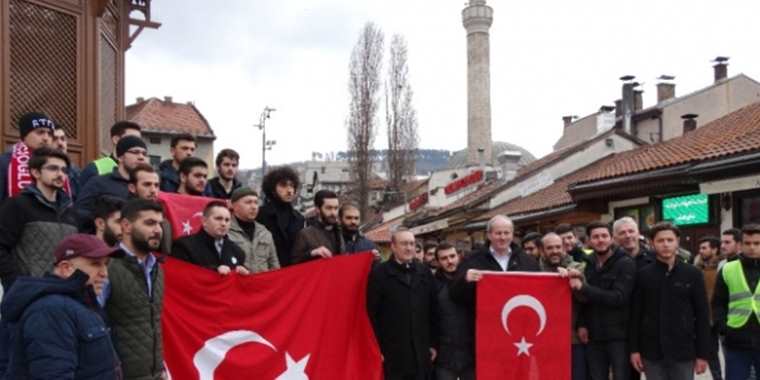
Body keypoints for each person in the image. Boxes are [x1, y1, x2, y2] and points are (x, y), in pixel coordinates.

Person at [0, 234, 121, 379]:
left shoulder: (78, 304)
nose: (104, 274)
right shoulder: (51, 310)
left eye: (106, 264)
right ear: (66, 268)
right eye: (95, 264)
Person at [449, 215, 539, 370]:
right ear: (489, 235)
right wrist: (465, 280)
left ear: (512, 234)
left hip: (521, 338)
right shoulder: (472, 260)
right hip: (486, 335)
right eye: (498, 233)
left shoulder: (527, 261)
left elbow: (540, 291)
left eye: (506, 233)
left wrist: (561, 277)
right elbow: (454, 294)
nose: (502, 237)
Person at [629, 222, 711, 380]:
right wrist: (634, 350)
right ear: (652, 243)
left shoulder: (693, 274)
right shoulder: (643, 275)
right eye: (660, 241)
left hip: (683, 350)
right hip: (652, 352)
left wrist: (703, 354)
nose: (665, 244)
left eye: (669, 240)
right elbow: (636, 315)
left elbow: (702, 315)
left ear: (677, 242)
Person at [0, 147, 78, 291]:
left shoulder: (71, 211)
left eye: (64, 170)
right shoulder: (18, 204)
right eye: (53, 168)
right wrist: (16, 283)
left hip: (66, 291)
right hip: (30, 294)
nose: (60, 174)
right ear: (36, 172)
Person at [104, 199, 165, 380]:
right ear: (126, 226)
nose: (158, 230)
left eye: (160, 224)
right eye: (149, 223)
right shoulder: (106, 266)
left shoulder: (158, 268)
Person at [367, 227, 438, 380]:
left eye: (412, 244)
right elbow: (372, 313)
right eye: (404, 244)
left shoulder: (423, 272)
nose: (409, 248)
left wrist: (433, 343)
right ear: (393, 246)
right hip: (393, 351)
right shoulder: (379, 274)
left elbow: (433, 310)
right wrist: (376, 348)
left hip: (421, 350)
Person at [572, 221, 636, 380]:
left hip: (619, 337)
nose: (600, 240)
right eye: (596, 237)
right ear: (589, 240)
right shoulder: (587, 263)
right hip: (593, 336)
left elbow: (618, 297)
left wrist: (584, 288)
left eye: (604, 236)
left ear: (612, 239)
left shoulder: (625, 263)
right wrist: (581, 324)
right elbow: (583, 301)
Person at [713, 224, 760, 380]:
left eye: (757, 243)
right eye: (747, 243)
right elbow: (718, 302)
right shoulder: (728, 269)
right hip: (736, 340)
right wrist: (723, 328)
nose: (752, 247)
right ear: (740, 245)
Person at [539, 232, 588, 380]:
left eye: (558, 247)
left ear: (564, 248)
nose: (555, 251)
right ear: (542, 250)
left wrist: (572, 278)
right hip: (543, 339)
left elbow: (586, 299)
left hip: (572, 338)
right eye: (550, 248)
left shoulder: (578, 268)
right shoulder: (532, 270)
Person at [75, 135, 148, 224]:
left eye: (144, 154)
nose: (141, 157)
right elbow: (80, 212)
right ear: (120, 157)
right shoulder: (98, 183)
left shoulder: (144, 186)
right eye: (135, 152)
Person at [172, 201, 249, 276]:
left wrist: (244, 274)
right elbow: (181, 277)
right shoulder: (184, 246)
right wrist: (214, 272)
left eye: (227, 220)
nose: (223, 224)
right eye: (218, 218)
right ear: (204, 221)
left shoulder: (237, 251)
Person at [433, 242, 474, 380]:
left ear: (459, 257)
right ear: (438, 262)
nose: (449, 261)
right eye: (444, 258)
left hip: (470, 353)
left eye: (452, 256)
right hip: (444, 355)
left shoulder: (471, 281)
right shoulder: (432, 285)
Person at [0, 112, 55, 202]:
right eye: (40, 132)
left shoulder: (59, 165)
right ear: (24, 136)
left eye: (49, 134)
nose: (46, 138)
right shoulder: (4, 163)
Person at [257, 166, 305, 267]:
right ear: (272, 189)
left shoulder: (299, 218)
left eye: (292, 186)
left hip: (292, 272)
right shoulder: (260, 214)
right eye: (283, 185)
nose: (289, 190)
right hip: (267, 271)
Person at [227, 187, 279, 273]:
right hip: (238, 283)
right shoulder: (225, 230)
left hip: (263, 283)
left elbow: (274, 265)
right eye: (248, 202)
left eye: (256, 202)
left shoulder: (264, 232)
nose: (254, 207)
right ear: (234, 205)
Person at [695, 236, 724, 380]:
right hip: (707, 319)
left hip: (724, 318)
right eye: (700, 248)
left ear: (715, 249)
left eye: (704, 248)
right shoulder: (697, 269)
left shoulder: (723, 267)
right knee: (712, 354)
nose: (701, 251)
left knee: (728, 354)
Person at [79, 121, 141, 187]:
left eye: (139, 140)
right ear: (116, 140)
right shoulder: (96, 169)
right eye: (131, 139)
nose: (137, 144)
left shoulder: (143, 172)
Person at [292, 190, 345, 264]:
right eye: (329, 208)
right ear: (317, 209)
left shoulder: (340, 231)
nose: (333, 213)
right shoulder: (305, 234)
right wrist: (312, 253)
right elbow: (294, 263)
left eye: (336, 208)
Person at [52, 126, 81, 200]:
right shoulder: (39, 168)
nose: (60, 143)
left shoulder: (75, 171)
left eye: (62, 139)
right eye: (55, 139)